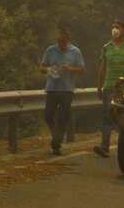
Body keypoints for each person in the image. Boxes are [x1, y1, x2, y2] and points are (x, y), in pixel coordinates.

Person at [93, 20, 124, 158]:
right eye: (113, 27)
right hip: (109, 87)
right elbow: (102, 68)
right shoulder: (106, 47)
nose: (114, 30)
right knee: (106, 116)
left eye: (117, 27)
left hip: (123, 89)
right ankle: (104, 146)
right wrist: (99, 86)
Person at [40, 23, 85, 155]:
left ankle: (56, 144)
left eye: (63, 40)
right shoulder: (50, 50)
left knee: (63, 117)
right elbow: (41, 67)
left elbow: (82, 69)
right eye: (59, 40)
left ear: (68, 38)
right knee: (48, 115)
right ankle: (56, 137)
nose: (61, 43)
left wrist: (69, 68)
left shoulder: (75, 51)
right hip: (52, 88)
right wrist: (49, 69)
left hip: (67, 89)